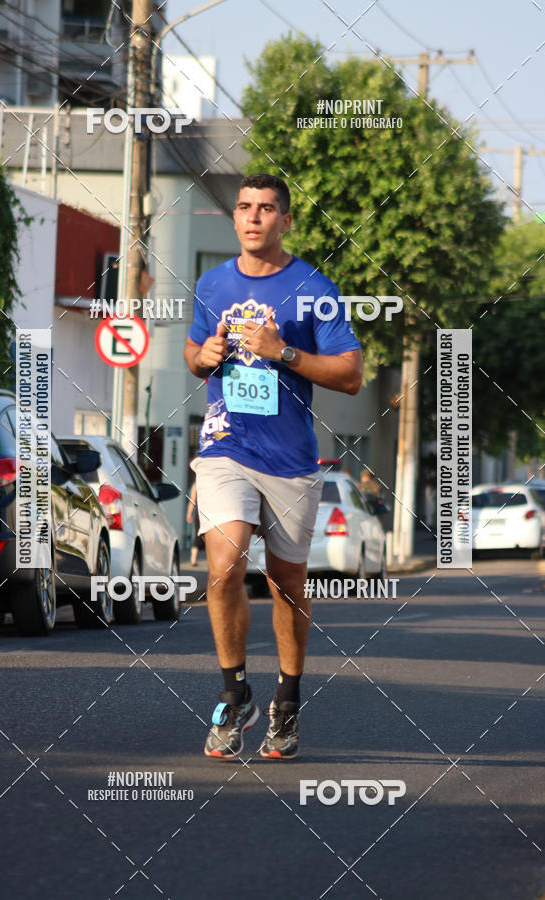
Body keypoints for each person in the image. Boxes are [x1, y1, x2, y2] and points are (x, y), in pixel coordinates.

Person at [183, 173, 362, 760]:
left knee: (287, 585)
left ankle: (286, 704)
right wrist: (201, 356)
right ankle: (234, 695)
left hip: (288, 457)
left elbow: (351, 374)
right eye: (243, 207)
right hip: (226, 446)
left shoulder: (315, 288)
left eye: (265, 209)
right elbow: (192, 351)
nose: (253, 217)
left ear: (285, 221)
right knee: (225, 561)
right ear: (234, 218)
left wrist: (281, 352)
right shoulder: (212, 282)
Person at [186, 479, 205, 566]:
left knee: (198, 535)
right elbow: (192, 500)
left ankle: (193, 559)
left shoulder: (197, 483)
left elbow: (192, 500)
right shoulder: (197, 483)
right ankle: (193, 559)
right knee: (199, 535)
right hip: (203, 513)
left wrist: (189, 514)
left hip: (202, 512)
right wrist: (189, 514)